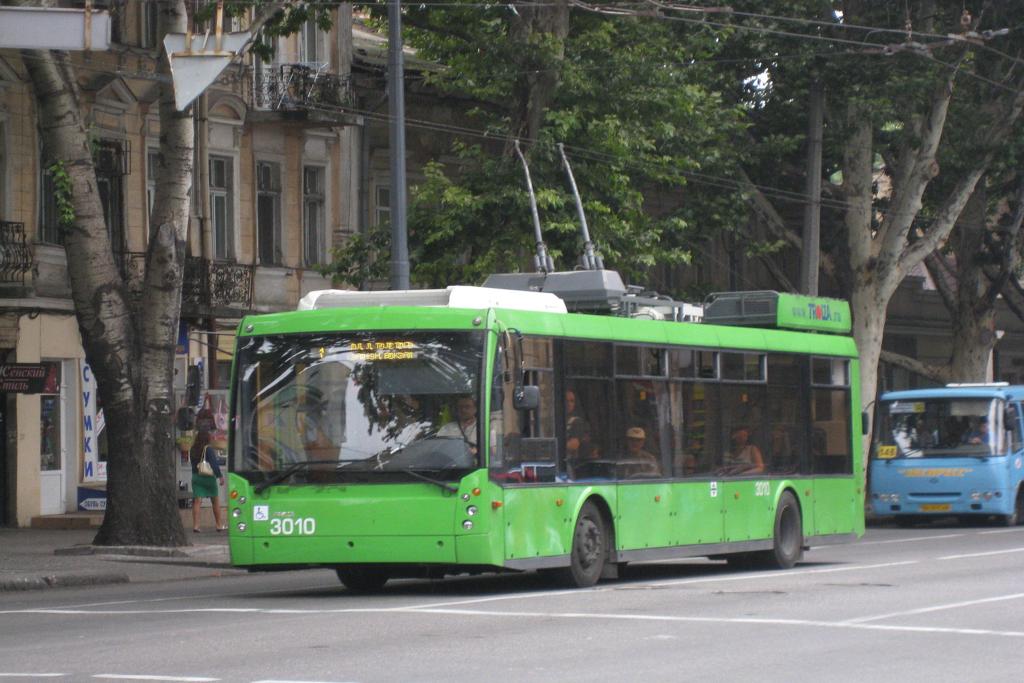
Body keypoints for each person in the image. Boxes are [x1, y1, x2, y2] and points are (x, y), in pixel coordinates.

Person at [190, 427, 226, 533]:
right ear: (207, 438)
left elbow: (193, 464)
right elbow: (214, 464)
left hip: (196, 477)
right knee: (215, 501)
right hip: (208, 478)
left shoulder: (193, 449)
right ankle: (219, 525)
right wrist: (220, 476)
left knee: (197, 501)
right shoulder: (208, 449)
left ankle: (196, 526)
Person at [565, 389, 595, 460]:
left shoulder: (576, 421)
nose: (569, 404)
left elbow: (574, 445)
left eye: (572, 401)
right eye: (566, 401)